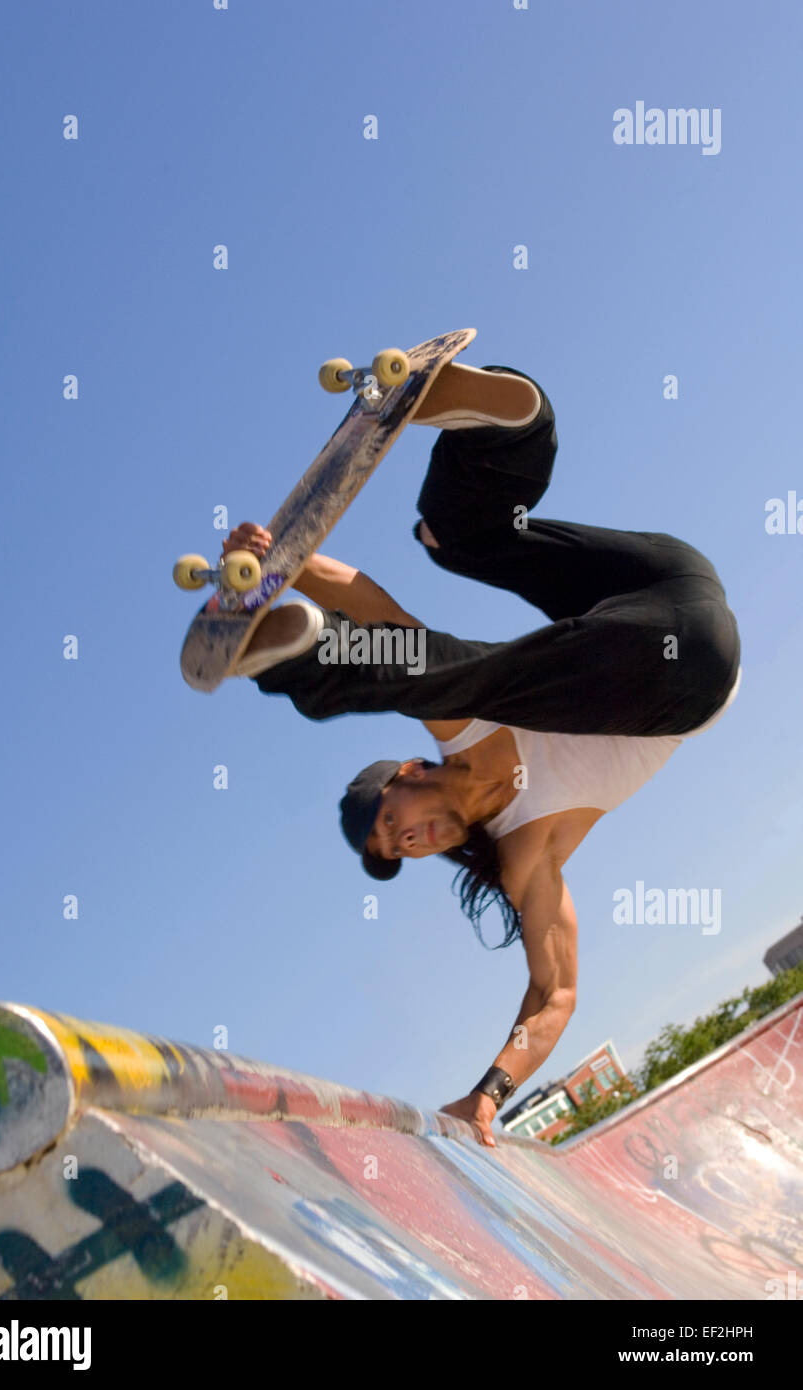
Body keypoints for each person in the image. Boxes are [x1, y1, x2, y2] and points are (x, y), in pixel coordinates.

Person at [221, 360, 741, 1146]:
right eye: (402, 850)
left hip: (665, 583)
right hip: (684, 670)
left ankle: (491, 425)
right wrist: (488, 1093)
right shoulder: (525, 858)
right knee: (444, 667)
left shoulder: (459, 726)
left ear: (407, 774)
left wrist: (280, 566)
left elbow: (374, 607)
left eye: (396, 823)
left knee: (449, 554)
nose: (413, 841)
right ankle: (307, 653)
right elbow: (553, 991)